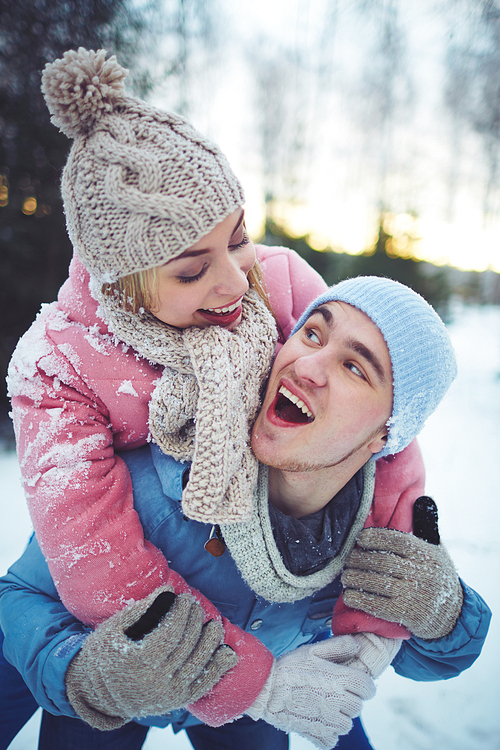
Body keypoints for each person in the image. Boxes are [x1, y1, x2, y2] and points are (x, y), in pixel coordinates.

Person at [0, 277, 491, 750]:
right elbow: (18, 594)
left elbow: (425, 661)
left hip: (253, 704)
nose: (308, 367)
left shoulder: (372, 536)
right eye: (313, 333)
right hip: (115, 702)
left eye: (355, 368)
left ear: (387, 435)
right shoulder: (160, 481)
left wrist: (446, 614)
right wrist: (86, 674)